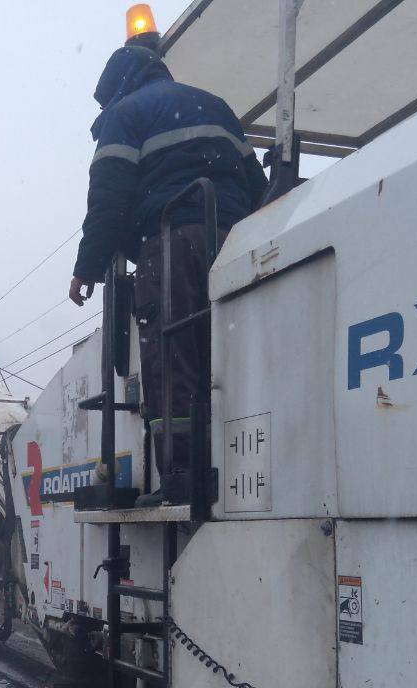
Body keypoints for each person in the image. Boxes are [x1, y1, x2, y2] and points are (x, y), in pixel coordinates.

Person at [68, 9, 267, 501]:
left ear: (117, 85)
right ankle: (237, 457)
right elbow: (260, 186)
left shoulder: (126, 114)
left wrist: (86, 269)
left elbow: (108, 200)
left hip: (174, 241)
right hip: (237, 238)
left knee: (170, 355)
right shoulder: (215, 106)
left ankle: (180, 474)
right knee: (226, 350)